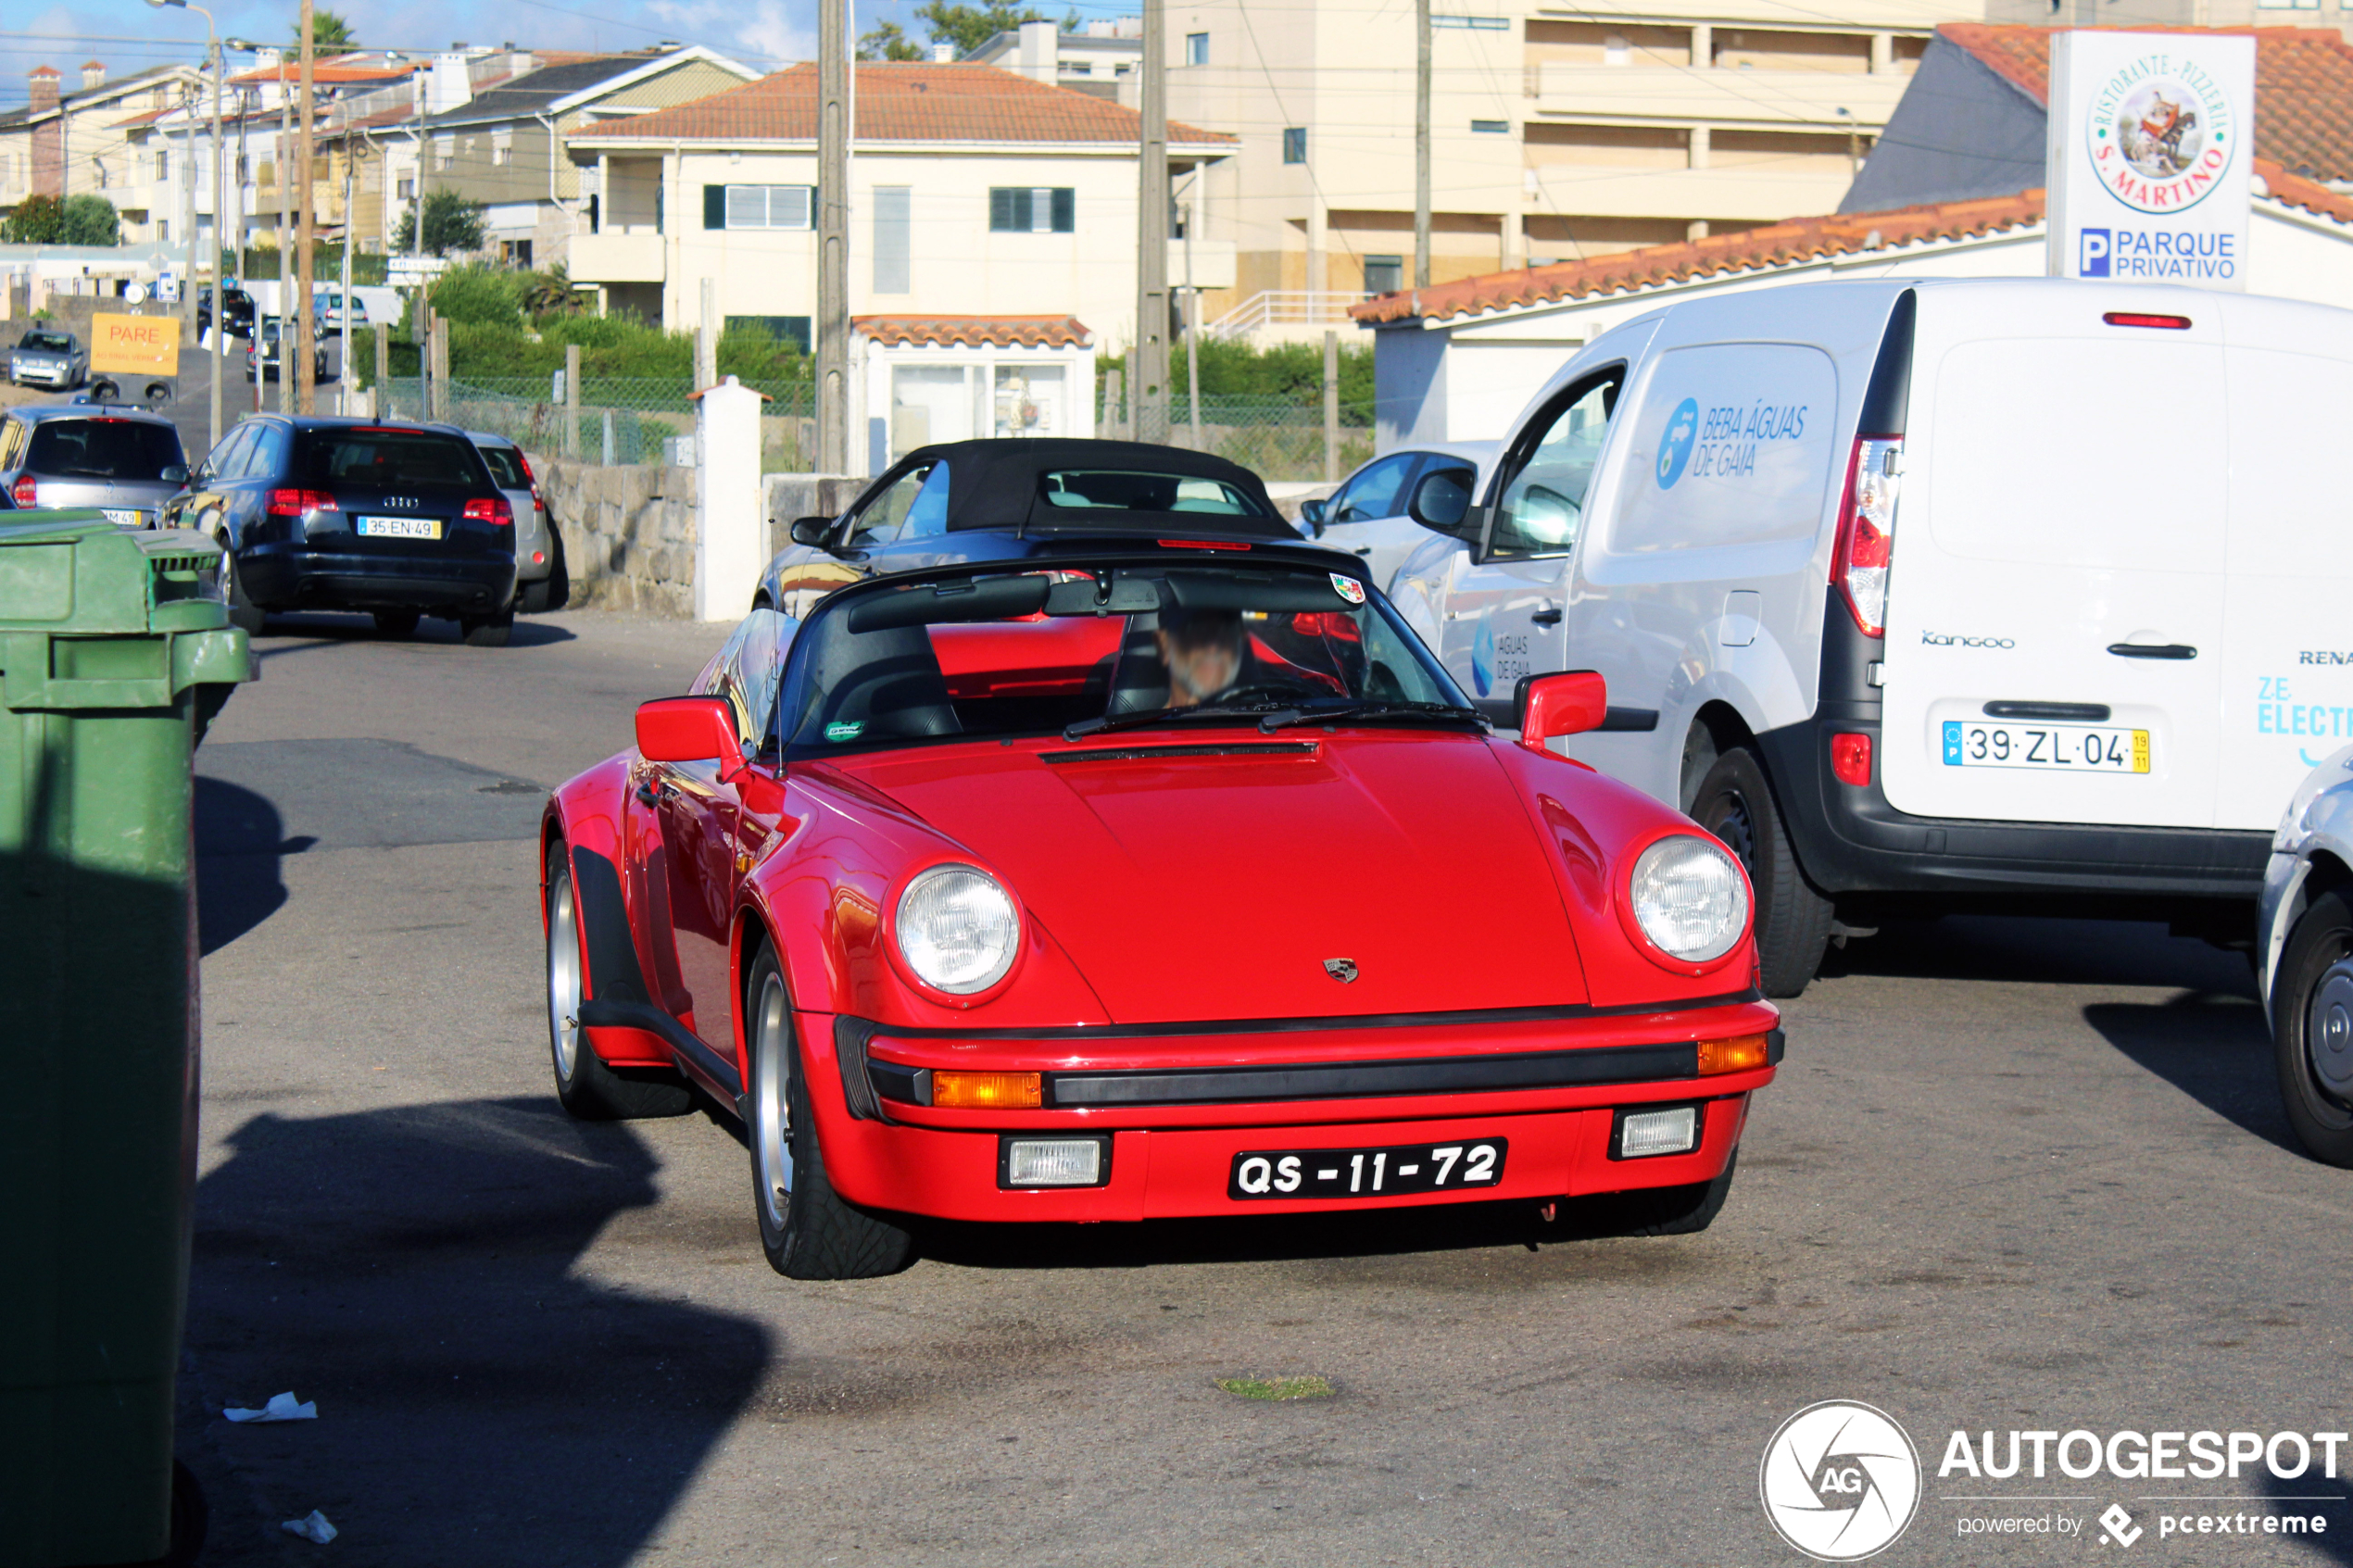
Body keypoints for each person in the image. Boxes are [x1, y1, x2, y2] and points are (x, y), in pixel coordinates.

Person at [1154, 606, 1246, 708]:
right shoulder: (1146, 723)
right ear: (1163, 645)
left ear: (1241, 642)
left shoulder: (1259, 720)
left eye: (1226, 629)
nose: (1213, 647)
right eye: (1196, 628)